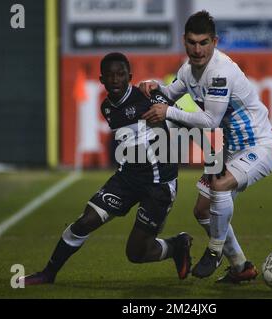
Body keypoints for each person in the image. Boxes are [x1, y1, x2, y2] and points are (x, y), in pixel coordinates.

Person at [23, 52, 193, 285]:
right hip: (127, 179)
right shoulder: (107, 108)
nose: (115, 80)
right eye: (110, 76)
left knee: (136, 253)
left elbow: (184, 117)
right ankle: (48, 273)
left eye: (121, 75)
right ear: (101, 80)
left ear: (129, 77)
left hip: (159, 184)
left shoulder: (148, 96)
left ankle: (176, 245)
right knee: (85, 221)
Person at [140, 11, 272, 283]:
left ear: (214, 41)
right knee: (202, 211)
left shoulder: (220, 73)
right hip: (228, 150)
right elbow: (169, 93)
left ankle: (215, 251)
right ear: (184, 41)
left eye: (203, 42)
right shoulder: (188, 69)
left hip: (259, 146)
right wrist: (152, 85)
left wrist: (168, 112)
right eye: (192, 42)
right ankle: (241, 267)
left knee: (220, 186)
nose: (197, 49)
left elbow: (210, 120)